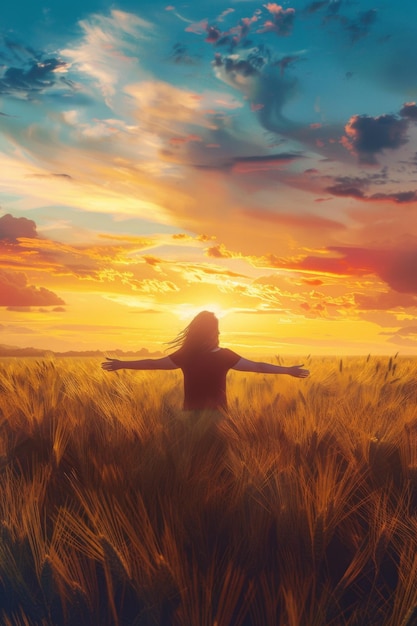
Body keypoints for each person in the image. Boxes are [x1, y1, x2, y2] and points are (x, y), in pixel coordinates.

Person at [101, 311, 309, 412]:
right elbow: (258, 367)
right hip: (218, 417)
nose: (219, 333)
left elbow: (152, 364)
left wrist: (122, 364)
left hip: (190, 416)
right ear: (212, 333)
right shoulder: (224, 356)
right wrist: (287, 370)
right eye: (216, 329)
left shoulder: (186, 355)